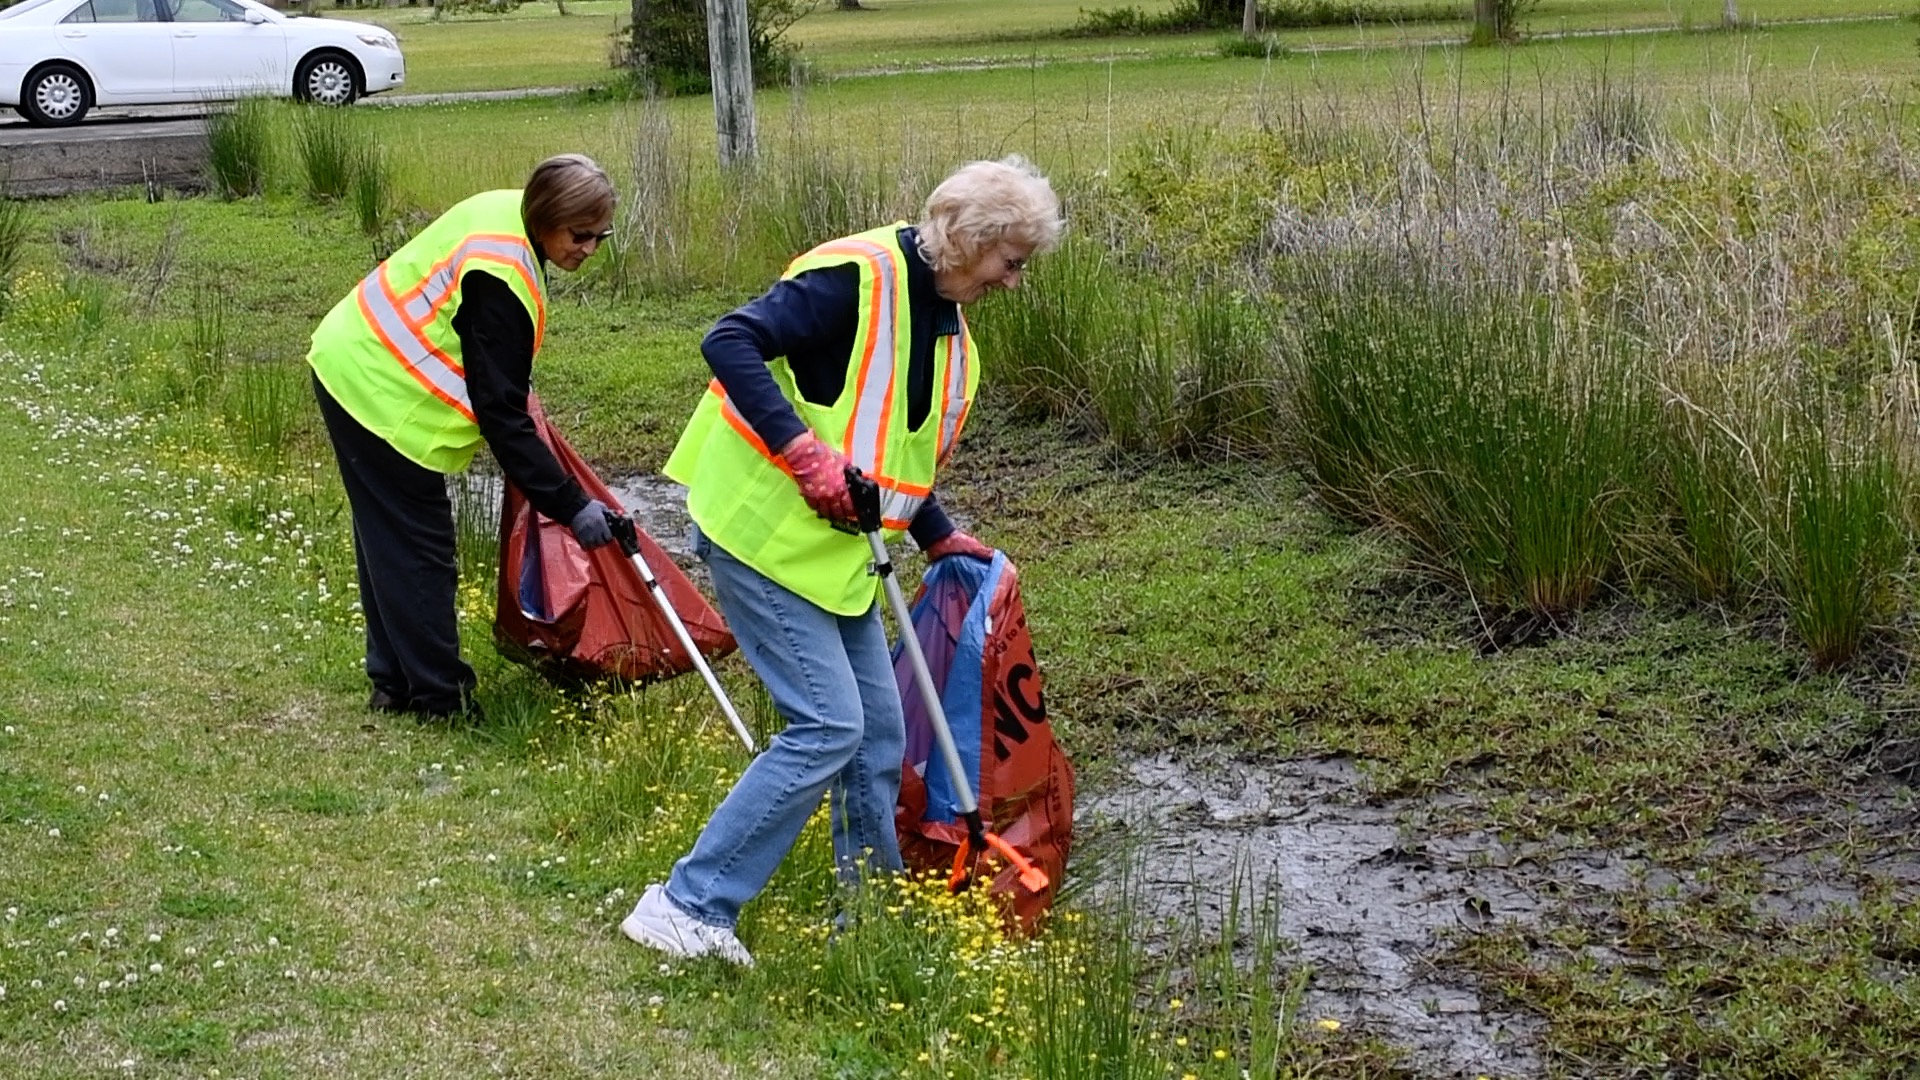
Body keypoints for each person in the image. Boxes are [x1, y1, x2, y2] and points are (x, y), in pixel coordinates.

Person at [619, 156, 1065, 965]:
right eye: (1012, 262)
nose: (1014, 282)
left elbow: (889, 444)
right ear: (970, 238)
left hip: (840, 558)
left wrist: (936, 532)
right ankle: (687, 906)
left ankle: (869, 928)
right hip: (761, 533)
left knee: (878, 738)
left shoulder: (949, 330)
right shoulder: (855, 276)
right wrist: (798, 453)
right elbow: (730, 339)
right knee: (827, 727)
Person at [308, 153, 620, 722]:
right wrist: (573, 507)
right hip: (376, 390)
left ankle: (394, 685)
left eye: (602, 237)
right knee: (420, 550)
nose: (589, 250)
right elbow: (502, 418)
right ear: (547, 217)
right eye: (580, 236)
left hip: (354, 360)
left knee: (387, 541)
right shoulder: (501, 277)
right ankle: (439, 701)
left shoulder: (506, 211)